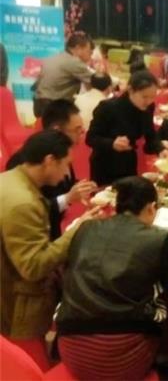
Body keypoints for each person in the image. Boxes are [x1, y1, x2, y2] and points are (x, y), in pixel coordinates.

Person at [56, 175, 168, 381]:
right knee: (159, 305)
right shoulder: (158, 238)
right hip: (120, 360)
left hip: (70, 347)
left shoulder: (86, 228)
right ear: (151, 208)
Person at [0, 130, 92, 342]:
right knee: (28, 359)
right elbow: (34, 266)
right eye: (65, 165)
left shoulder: (9, 178)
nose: (66, 174)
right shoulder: (23, 202)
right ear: (49, 161)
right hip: (17, 307)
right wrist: (76, 231)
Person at [6, 101, 95, 240]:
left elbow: (64, 183)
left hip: (54, 228)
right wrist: (67, 198)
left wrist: (80, 187)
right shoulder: (23, 162)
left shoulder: (62, 151)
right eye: (77, 129)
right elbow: (34, 209)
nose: (82, 133)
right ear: (57, 130)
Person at [86, 71, 162, 187]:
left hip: (128, 163)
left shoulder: (148, 107)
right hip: (105, 165)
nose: (148, 101)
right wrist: (112, 143)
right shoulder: (108, 108)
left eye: (152, 97)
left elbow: (150, 135)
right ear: (130, 90)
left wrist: (160, 149)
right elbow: (91, 138)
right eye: (144, 97)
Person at [33, 33, 111, 118]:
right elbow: (98, 81)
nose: (90, 55)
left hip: (39, 103)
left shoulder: (56, 57)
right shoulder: (74, 62)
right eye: (89, 51)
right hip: (52, 106)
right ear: (78, 48)